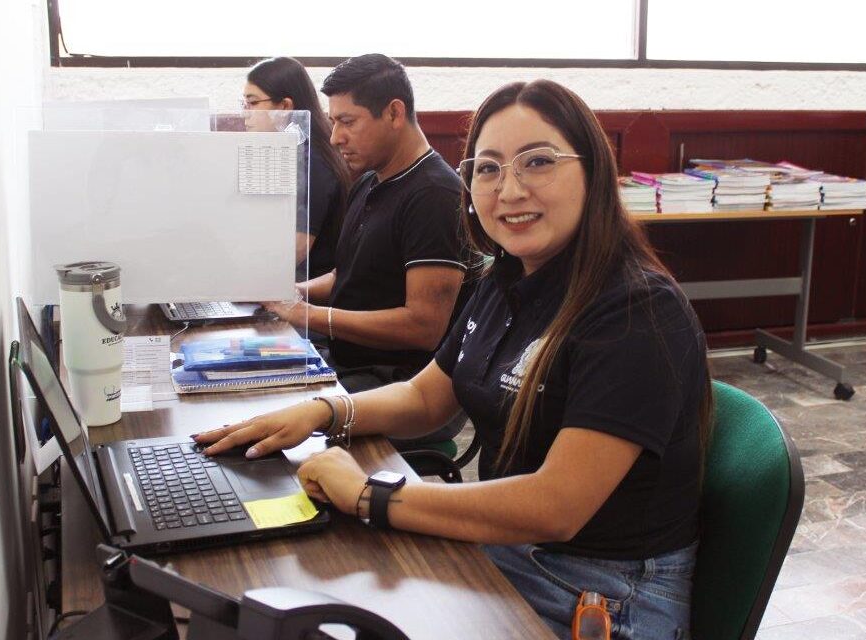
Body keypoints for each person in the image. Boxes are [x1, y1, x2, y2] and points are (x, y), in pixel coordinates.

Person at [200, 79, 713, 640]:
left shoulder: (636, 312)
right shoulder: (508, 278)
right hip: (516, 549)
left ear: (593, 172)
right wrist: (323, 411)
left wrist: (370, 495)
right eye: (488, 168)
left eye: (537, 162)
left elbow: (556, 506)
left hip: (601, 592)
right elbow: (426, 396)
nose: (508, 190)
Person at [263, 54, 469, 442]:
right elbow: (349, 274)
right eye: (333, 122)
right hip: (350, 364)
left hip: (400, 384)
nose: (336, 136)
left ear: (394, 113)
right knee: (248, 390)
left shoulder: (435, 196)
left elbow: (423, 326)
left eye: (347, 122)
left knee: (274, 425)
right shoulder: (369, 180)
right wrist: (292, 294)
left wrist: (308, 313)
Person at [242, 56, 351, 280]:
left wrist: (240, 279)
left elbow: (297, 249)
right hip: (283, 281)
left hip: (310, 291)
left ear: (284, 107)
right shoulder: (281, 153)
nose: (245, 113)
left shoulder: (314, 160)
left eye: (253, 103)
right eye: (243, 103)